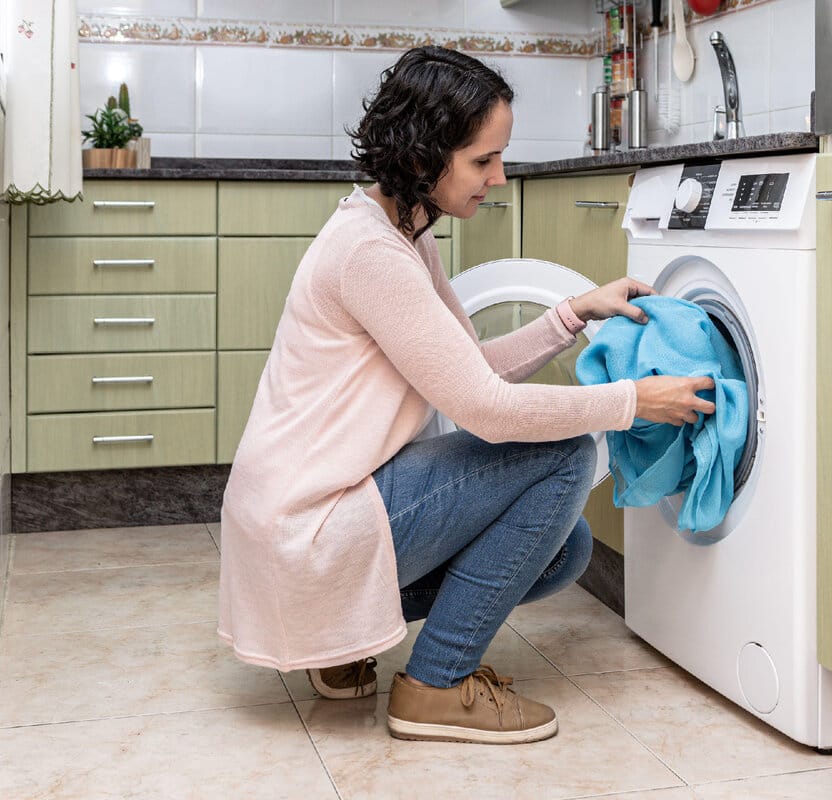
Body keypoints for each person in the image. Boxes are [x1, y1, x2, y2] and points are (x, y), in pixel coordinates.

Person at [216, 45, 715, 745]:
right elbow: (488, 409)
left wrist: (572, 313)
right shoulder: (373, 254)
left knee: (565, 548)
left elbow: (465, 370)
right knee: (564, 456)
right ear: (424, 158)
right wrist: (635, 400)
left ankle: (340, 645)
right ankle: (435, 685)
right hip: (311, 526)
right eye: (484, 160)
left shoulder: (400, 231)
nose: (499, 177)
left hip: (302, 514)